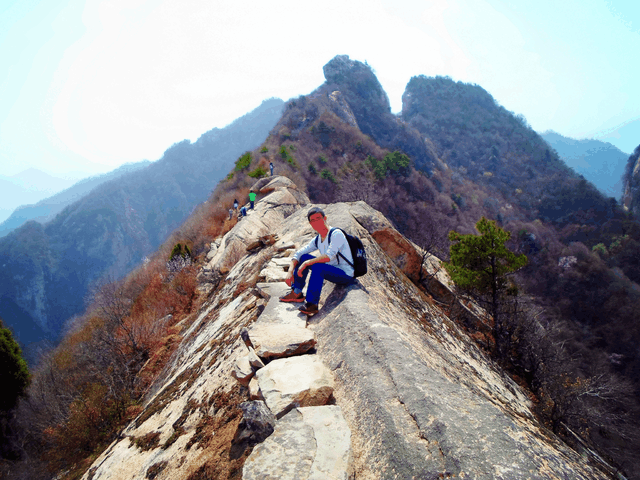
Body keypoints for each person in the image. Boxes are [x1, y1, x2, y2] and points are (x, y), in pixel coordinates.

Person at [280, 207, 355, 315]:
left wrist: (307, 263)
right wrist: (290, 271)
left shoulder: (336, 234)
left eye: (318, 218)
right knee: (303, 257)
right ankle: (296, 293)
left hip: (345, 274)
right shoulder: (318, 239)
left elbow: (329, 256)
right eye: (313, 220)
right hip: (332, 270)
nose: (316, 222)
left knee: (317, 267)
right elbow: (298, 253)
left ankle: (312, 304)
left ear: (325, 218)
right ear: (310, 224)